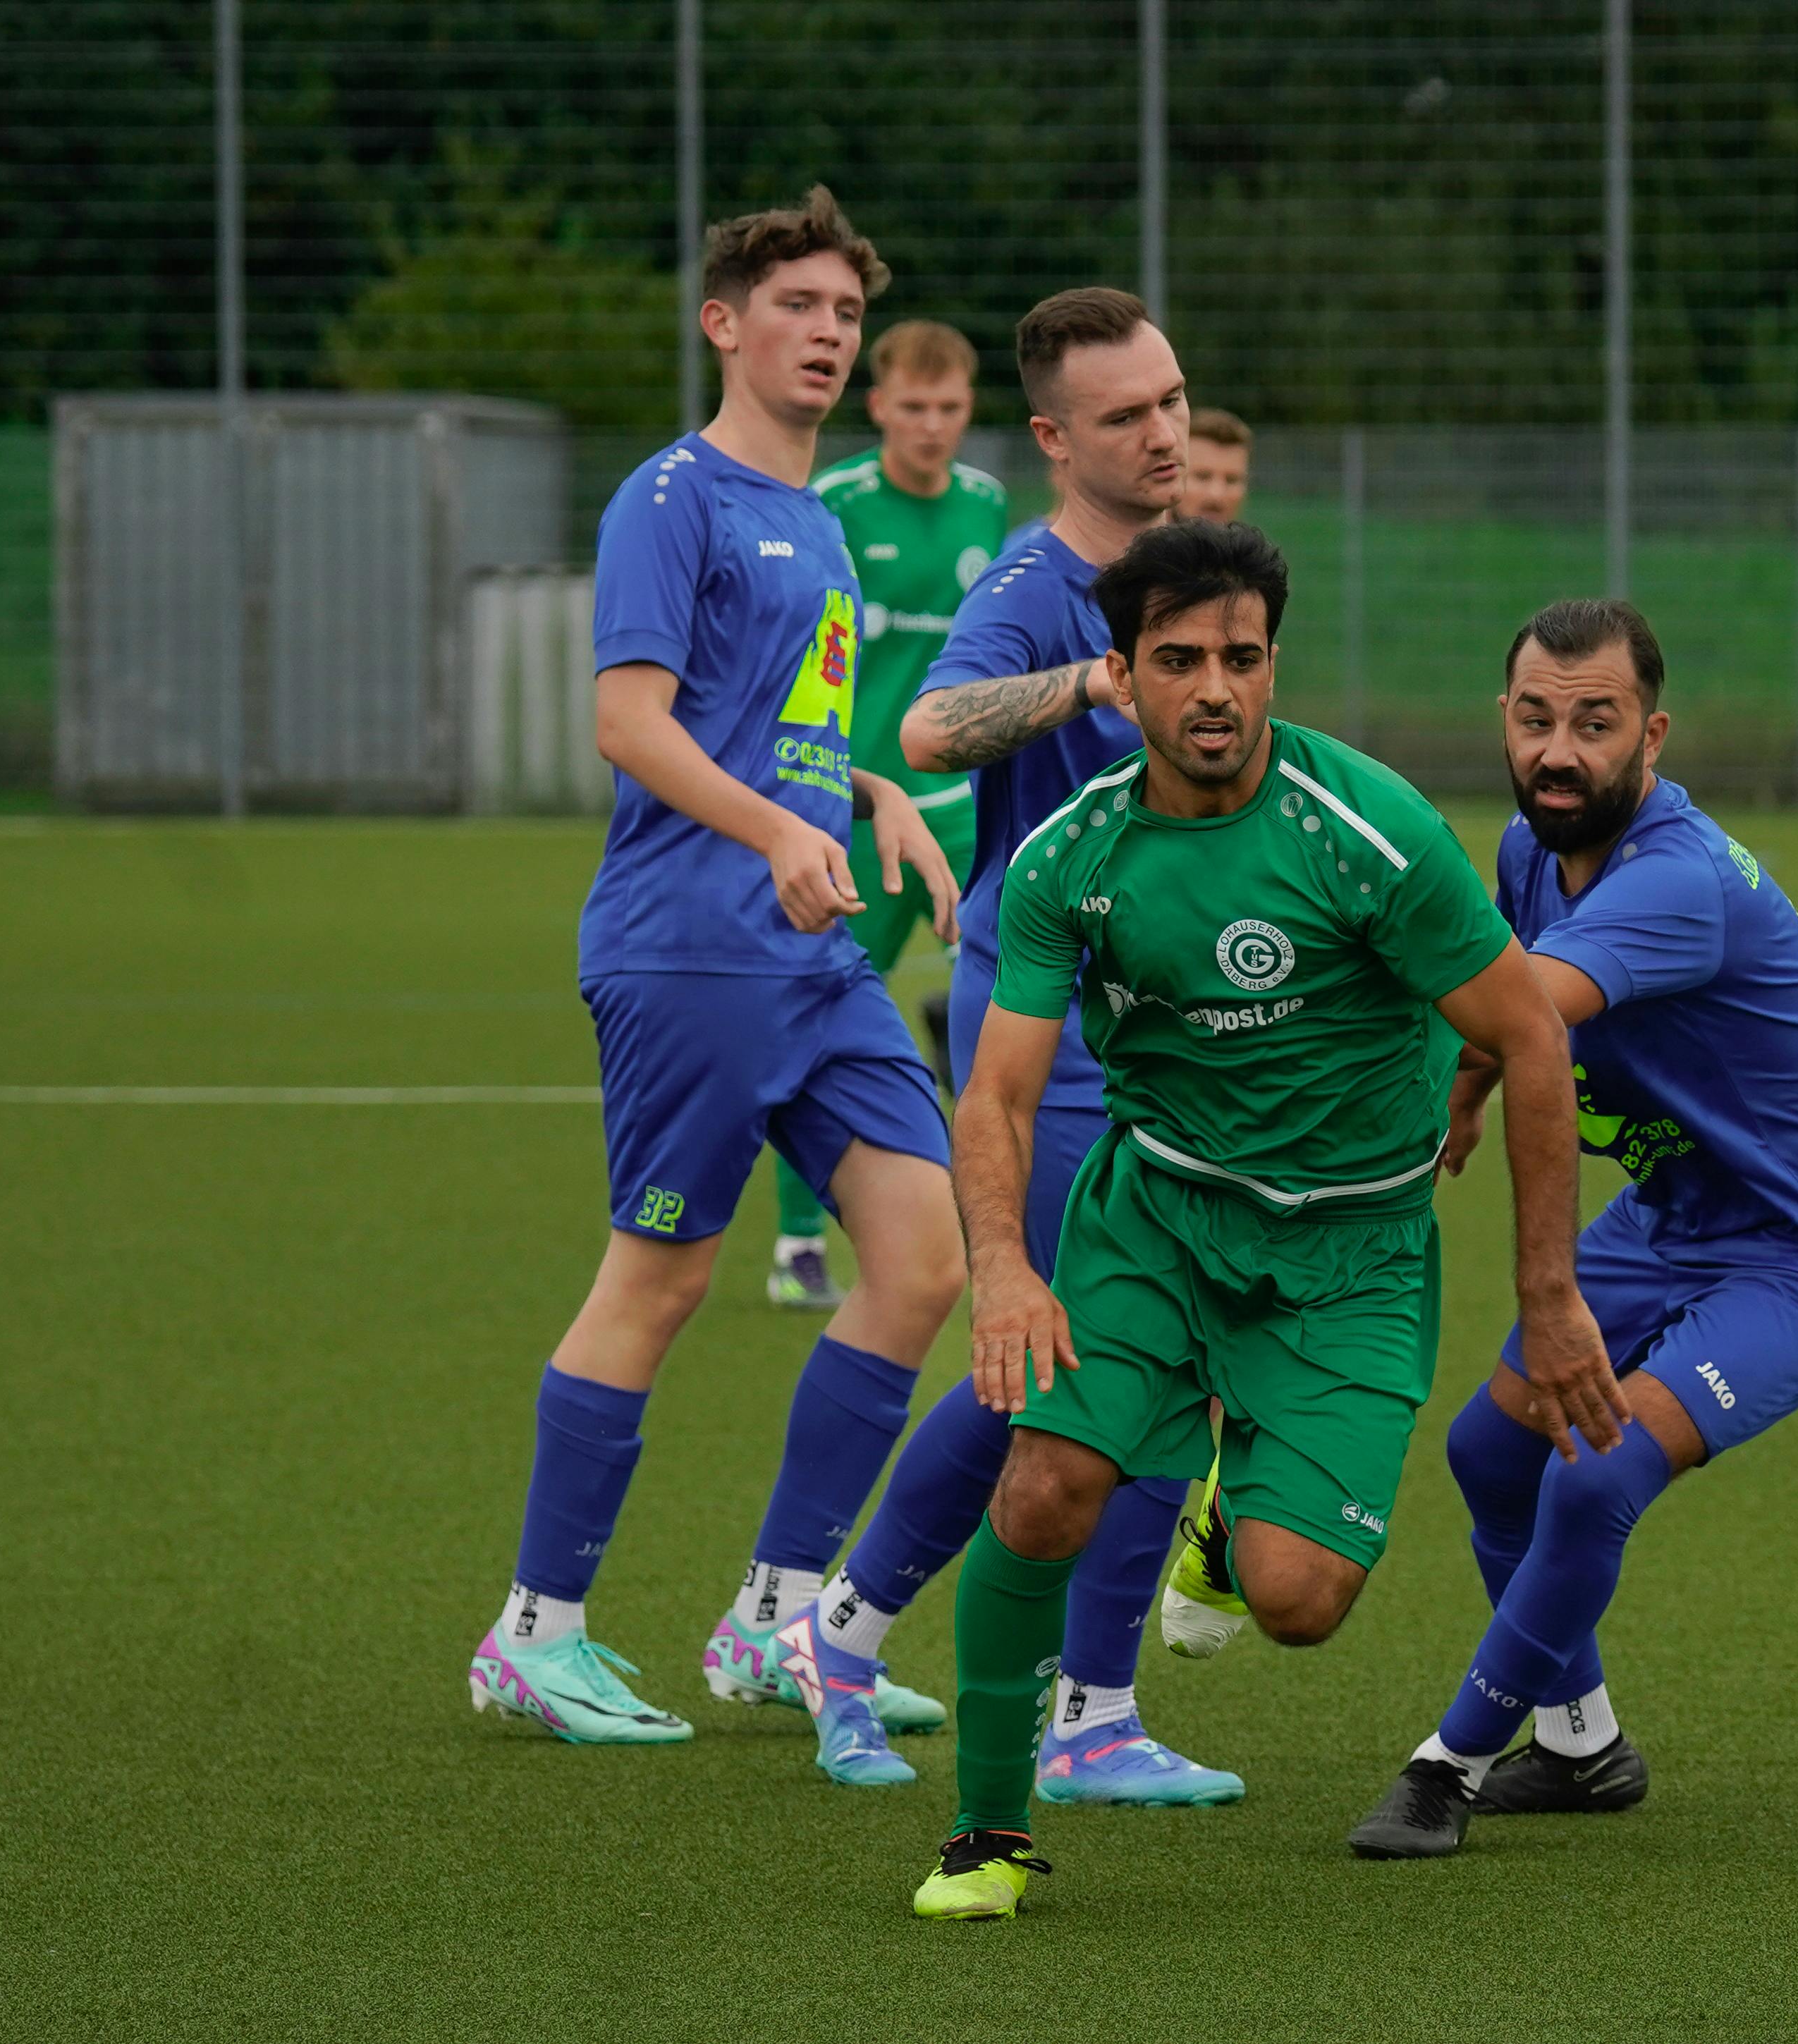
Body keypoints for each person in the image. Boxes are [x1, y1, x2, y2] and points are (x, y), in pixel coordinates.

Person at [895, 519, 1624, 1921]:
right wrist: (1001, 1267)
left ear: (1274, 665)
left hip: (1352, 1253)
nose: (1215, 688)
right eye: (1179, 660)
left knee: (1299, 1602)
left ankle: (1230, 1506)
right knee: (1045, 1483)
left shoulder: (1370, 833)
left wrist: (1548, 1292)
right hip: (1158, 1220)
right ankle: (989, 1831)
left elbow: (1531, 1040)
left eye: (1242, 657)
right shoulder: (1073, 859)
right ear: (1123, 674)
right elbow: (995, 1094)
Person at [463, 189, 968, 1775]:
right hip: (688, 944)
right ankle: (534, 1636)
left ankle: (778, 1610)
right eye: (799, 307)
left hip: (812, 954)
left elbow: (795, 730)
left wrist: (869, 796)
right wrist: (771, 829)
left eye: (843, 314)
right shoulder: (667, 499)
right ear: (725, 324)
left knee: (924, 1258)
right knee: (661, 1280)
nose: (826, 334)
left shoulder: (822, 522)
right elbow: (631, 720)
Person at [1345, 599, 1798, 1859]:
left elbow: (1519, 1002)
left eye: (1595, 724)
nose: (1561, 750)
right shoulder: (1523, 849)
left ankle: (1448, 1762)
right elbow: (1503, 978)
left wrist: (1363, 1008)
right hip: (1678, 1210)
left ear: (1649, 736)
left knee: (1598, 1470)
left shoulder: (1676, 880)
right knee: (1491, 1456)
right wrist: (1464, 1081)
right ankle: (1580, 1744)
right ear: (1504, 718)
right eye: (1537, 718)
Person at [783, 288, 1242, 1804]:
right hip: (1043, 1038)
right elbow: (925, 733)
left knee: (1174, 1359)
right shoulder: (1042, 588)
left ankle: (1092, 1710)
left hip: (1175, 1034)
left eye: (1173, 400)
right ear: (1053, 439)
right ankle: (845, 1637)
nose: (1165, 431)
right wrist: (1092, 682)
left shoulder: (1202, 578)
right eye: (1127, 415)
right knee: (1047, 1362)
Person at [765, 320, 1013, 1311]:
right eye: (914, 407)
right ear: (879, 408)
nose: (933, 427)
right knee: (815, 1013)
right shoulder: (833, 503)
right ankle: (796, 1243)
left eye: (950, 408)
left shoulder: (989, 506)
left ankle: (1003, 1210)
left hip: (954, 804)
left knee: (1008, 995)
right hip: (851, 807)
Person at [1180, 407, 1252, 522]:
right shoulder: (1141, 538)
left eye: (1231, 480)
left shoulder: (1259, 540)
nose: (1216, 495)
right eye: (1202, 477)